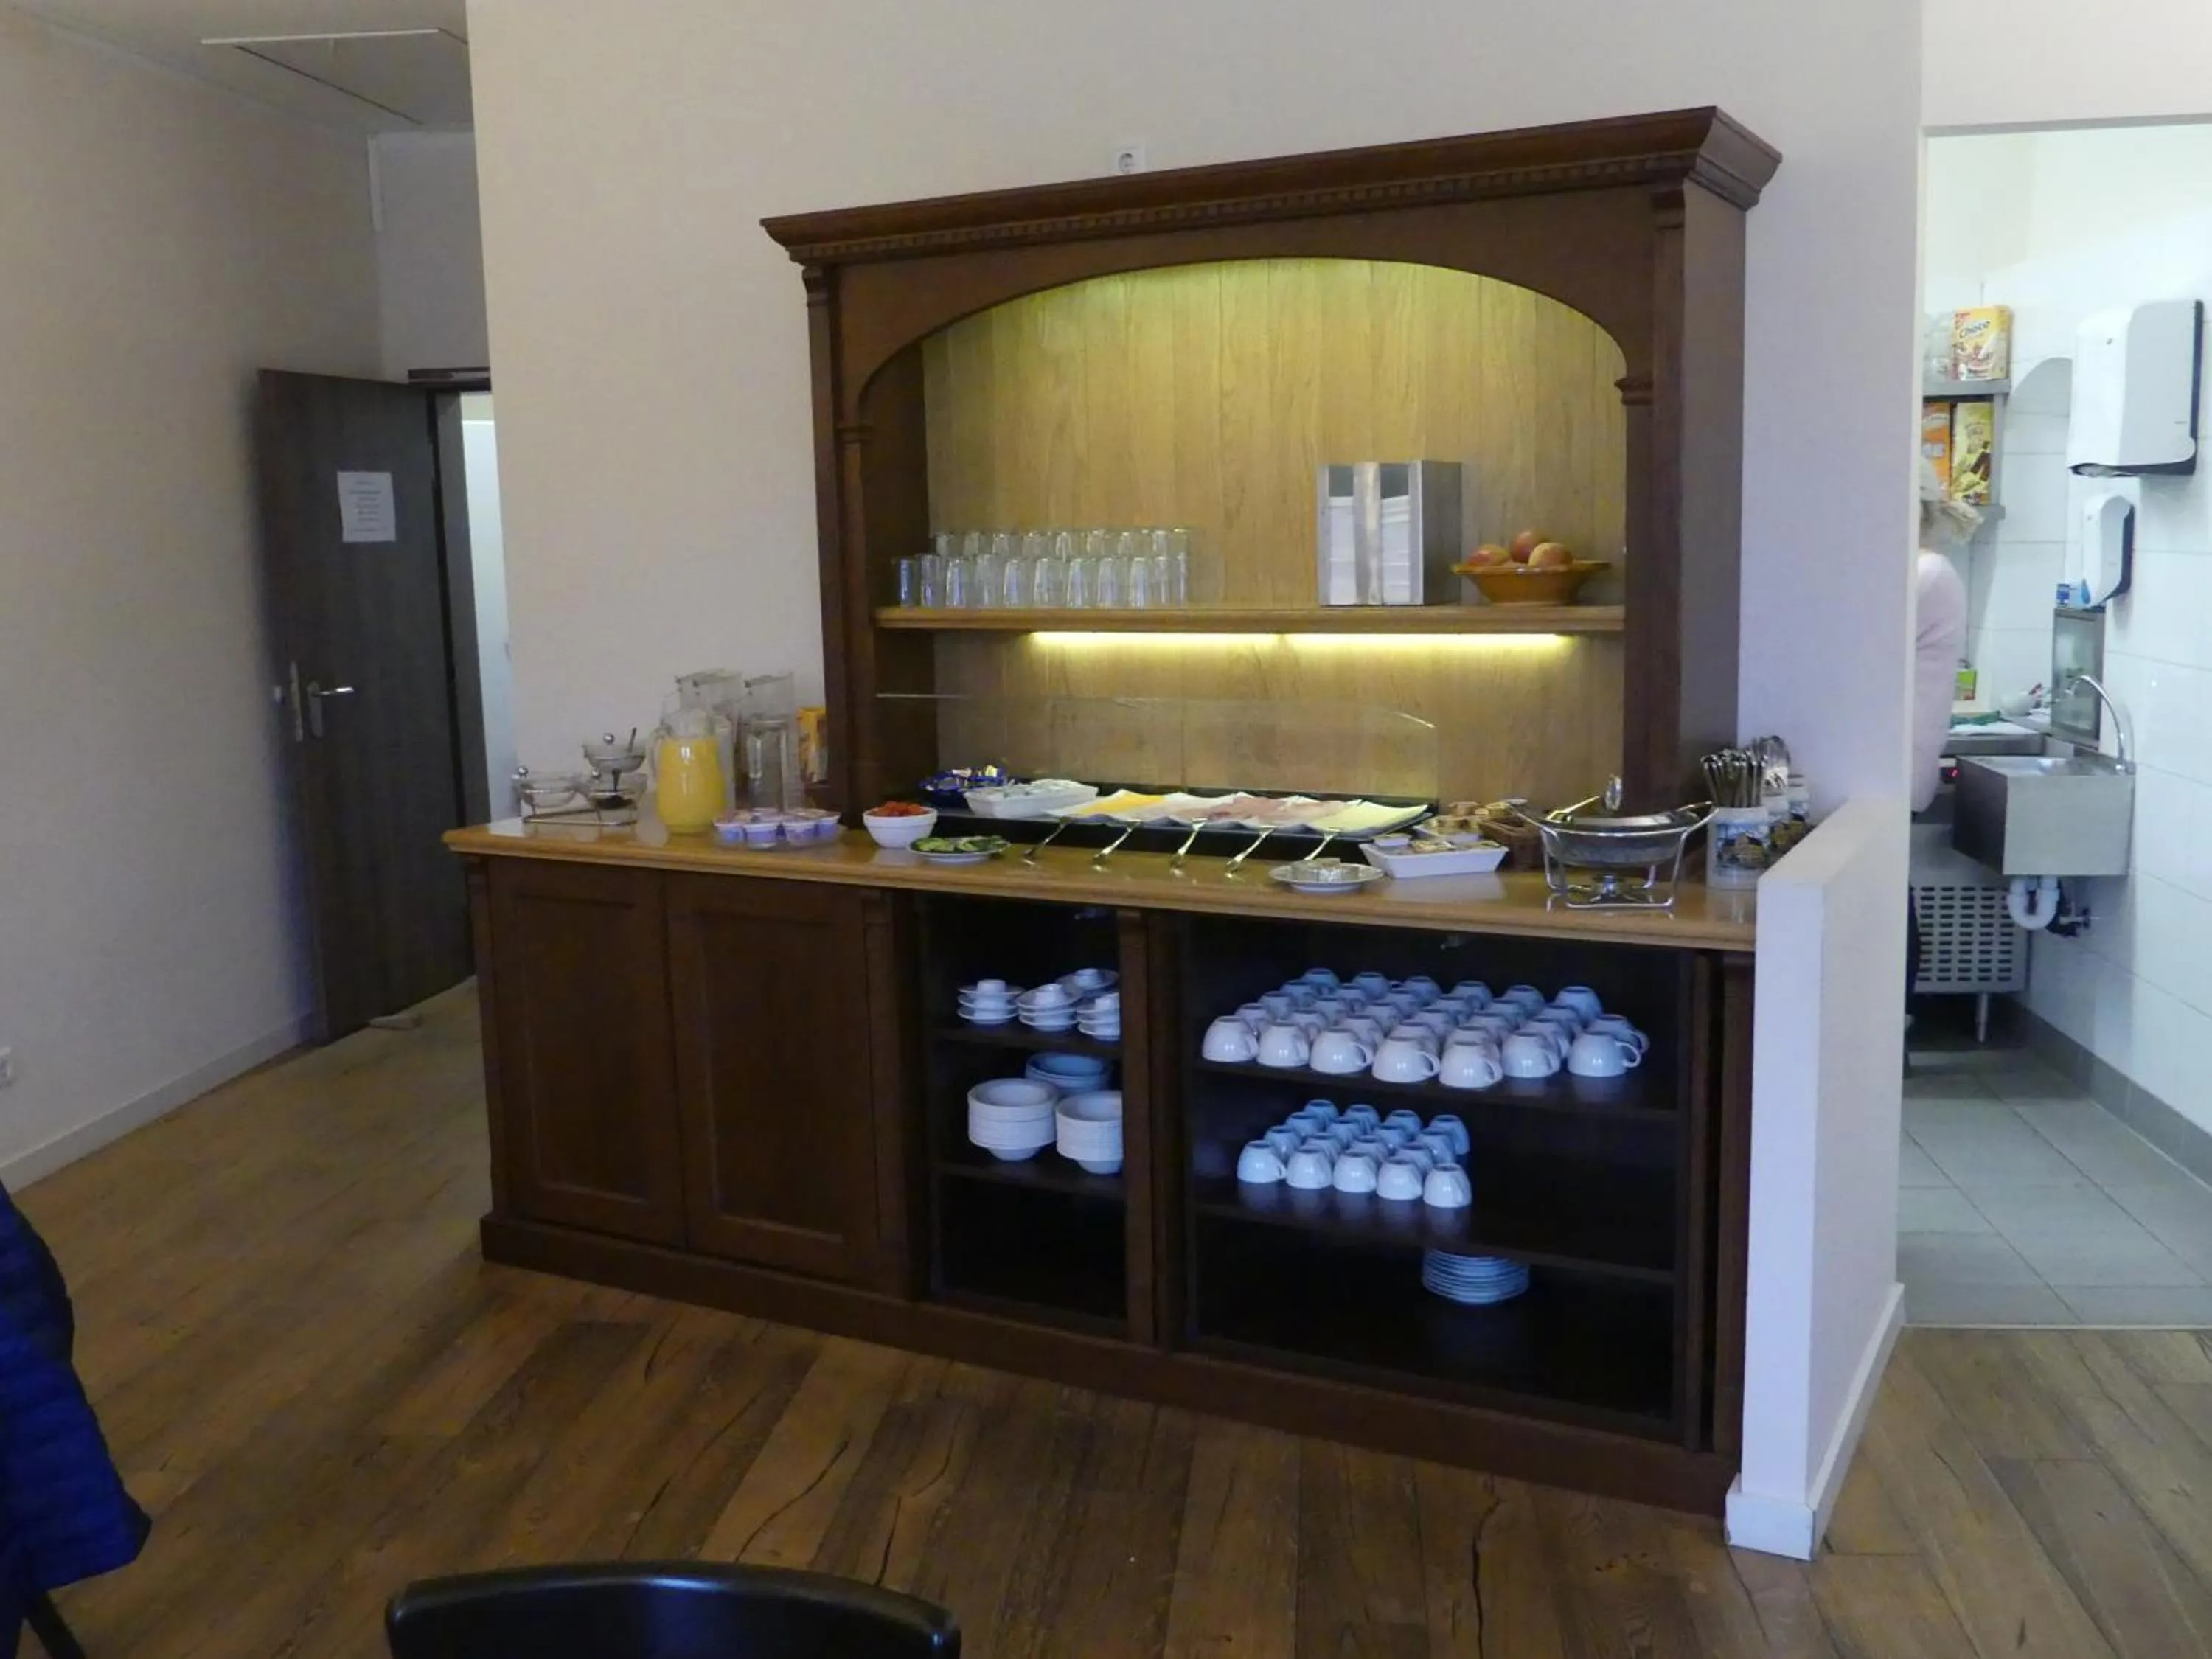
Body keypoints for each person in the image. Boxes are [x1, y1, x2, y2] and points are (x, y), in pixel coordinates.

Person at [1907, 458, 1978, 1009]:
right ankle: (1888, 1032)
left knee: (1883, 905)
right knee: (1884, 899)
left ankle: (1888, 1032)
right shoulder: (1922, 571)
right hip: (1889, 771)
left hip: (1892, 772)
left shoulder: (1925, 573)